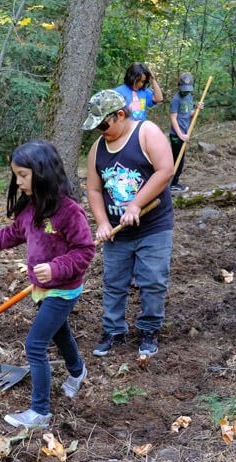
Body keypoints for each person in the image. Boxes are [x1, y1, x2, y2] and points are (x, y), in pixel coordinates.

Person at [0, 140, 95, 429]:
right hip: (42, 290)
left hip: (63, 289)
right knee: (60, 333)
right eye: (16, 175)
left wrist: (57, 267)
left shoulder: (69, 212)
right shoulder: (29, 210)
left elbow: (85, 251)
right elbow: (9, 236)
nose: (18, 181)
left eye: (23, 175)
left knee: (35, 345)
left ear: (42, 172)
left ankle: (40, 413)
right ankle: (77, 371)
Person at [82, 89, 174, 358]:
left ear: (119, 115)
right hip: (117, 231)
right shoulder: (98, 148)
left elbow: (165, 170)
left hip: (153, 226)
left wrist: (136, 204)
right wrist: (101, 222)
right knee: (113, 282)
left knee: (153, 280)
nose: (101, 130)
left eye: (103, 124)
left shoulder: (146, 133)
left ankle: (149, 328)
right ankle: (113, 330)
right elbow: (94, 190)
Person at [168, 72, 205, 193]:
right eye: (184, 89)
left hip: (184, 134)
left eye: (188, 89)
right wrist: (180, 135)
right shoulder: (176, 99)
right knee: (176, 159)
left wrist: (197, 109)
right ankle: (172, 184)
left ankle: (173, 182)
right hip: (177, 135)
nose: (186, 91)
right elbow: (173, 118)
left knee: (181, 159)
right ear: (178, 86)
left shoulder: (189, 96)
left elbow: (189, 114)